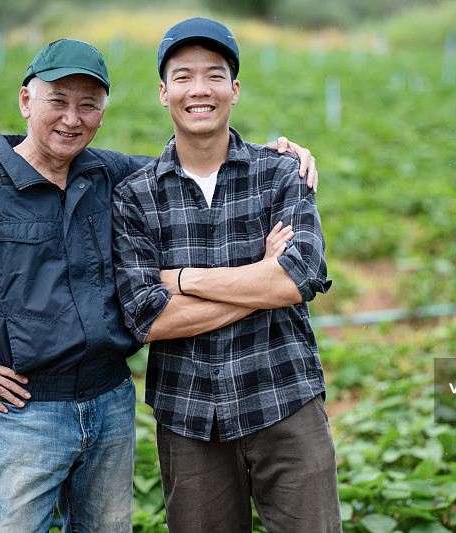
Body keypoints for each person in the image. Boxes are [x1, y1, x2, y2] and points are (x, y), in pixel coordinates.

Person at [0, 38, 318, 532]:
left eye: (88, 106)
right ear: (26, 100)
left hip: (111, 401)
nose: (73, 119)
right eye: (58, 102)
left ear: (102, 114)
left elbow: (196, 158)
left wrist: (280, 153)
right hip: (29, 409)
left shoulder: (108, 173)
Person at [112, 18, 341, 533]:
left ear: (234, 90)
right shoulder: (136, 196)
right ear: (164, 91)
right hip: (188, 417)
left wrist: (183, 279)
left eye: (215, 76)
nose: (200, 90)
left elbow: (297, 278)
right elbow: (148, 321)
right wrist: (260, 277)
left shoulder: (281, 172)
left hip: (284, 399)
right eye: (184, 76)